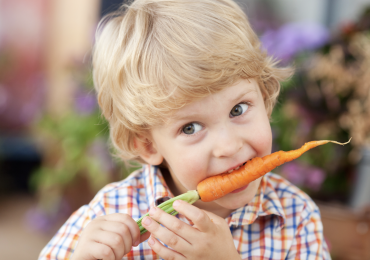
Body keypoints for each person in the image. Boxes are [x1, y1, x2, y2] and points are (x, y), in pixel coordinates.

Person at [39, 0, 331, 259]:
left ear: (264, 97)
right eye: (191, 128)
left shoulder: (295, 217)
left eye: (238, 109)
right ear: (148, 145)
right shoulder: (109, 213)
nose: (229, 146)